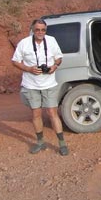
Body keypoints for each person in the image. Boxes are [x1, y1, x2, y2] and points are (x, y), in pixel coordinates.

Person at [12, 18, 69, 156]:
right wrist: (28, 68)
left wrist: (55, 66)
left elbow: (59, 58)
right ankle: (40, 142)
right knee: (36, 114)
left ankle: (62, 144)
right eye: (37, 29)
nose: (40, 32)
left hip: (49, 84)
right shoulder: (24, 43)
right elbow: (15, 61)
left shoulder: (51, 41)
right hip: (31, 85)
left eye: (43, 30)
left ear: (46, 30)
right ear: (32, 29)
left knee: (52, 113)